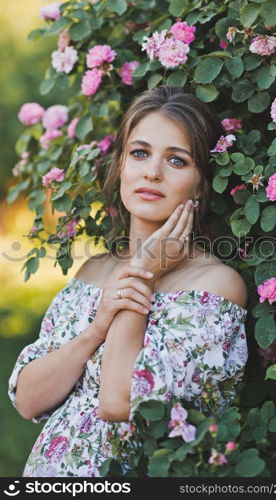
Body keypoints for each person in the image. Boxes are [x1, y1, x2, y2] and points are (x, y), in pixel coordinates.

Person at [8, 85, 248, 477]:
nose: (152, 171)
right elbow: (28, 400)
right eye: (140, 153)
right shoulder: (93, 272)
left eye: (177, 160)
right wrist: (95, 329)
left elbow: (120, 402)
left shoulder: (216, 286)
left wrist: (145, 272)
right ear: (121, 165)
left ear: (201, 183)